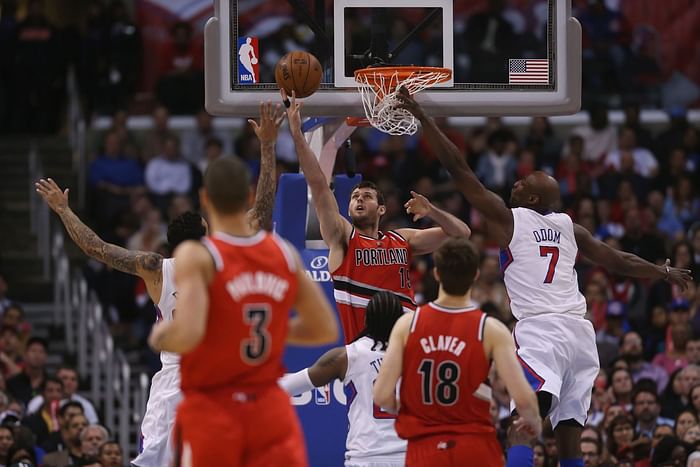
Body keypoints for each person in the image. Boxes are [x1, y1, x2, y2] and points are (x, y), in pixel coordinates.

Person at [396, 87, 693, 466]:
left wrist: (424, 119)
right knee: (569, 439)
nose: (516, 183)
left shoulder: (511, 218)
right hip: (582, 336)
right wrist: (661, 270)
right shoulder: (571, 227)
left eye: (524, 182)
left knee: (521, 425)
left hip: (543, 332)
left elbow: (459, 170)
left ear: (533, 200)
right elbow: (617, 260)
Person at [36, 102, 284, 467]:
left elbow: (96, 248)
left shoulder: (155, 268)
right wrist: (267, 144)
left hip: (175, 383)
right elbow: (262, 210)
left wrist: (63, 210)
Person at [148, 155, 338, 465]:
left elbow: (187, 334)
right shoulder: (283, 253)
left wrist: (161, 336)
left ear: (205, 198)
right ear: (248, 196)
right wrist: (272, 327)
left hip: (215, 409)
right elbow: (324, 329)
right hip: (268, 409)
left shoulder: (198, 256)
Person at [284, 90, 471, 343]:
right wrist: (296, 134)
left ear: (382, 209)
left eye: (367, 196)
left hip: (406, 347)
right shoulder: (342, 237)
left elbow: (462, 233)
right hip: (364, 350)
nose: (359, 199)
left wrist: (432, 211)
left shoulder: (402, 239)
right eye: (354, 197)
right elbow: (318, 184)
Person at [373, 238, 541, 467]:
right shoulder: (491, 329)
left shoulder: (407, 325)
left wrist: (413, 409)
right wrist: (534, 424)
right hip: (475, 447)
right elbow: (524, 399)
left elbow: (382, 395)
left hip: (424, 449)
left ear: (437, 274)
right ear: (475, 275)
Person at [279, 291, 407, 466]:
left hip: (365, 457)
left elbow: (289, 386)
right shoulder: (416, 355)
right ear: (401, 321)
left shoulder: (348, 356)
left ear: (366, 320)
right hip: (407, 456)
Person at [26, 366, 98, 425]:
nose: (69, 382)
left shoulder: (85, 404)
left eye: (73, 379)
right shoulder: (38, 401)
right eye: (65, 378)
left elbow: (93, 426)